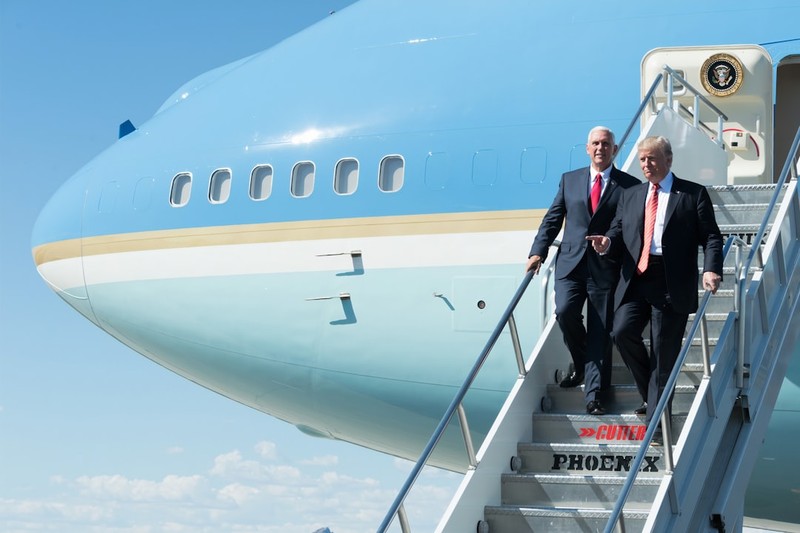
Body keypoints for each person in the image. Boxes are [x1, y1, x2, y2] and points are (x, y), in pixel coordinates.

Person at [587, 136, 723, 441]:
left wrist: (712, 268)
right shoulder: (632, 194)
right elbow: (620, 229)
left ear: (668, 160)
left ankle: (656, 425)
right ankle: (651, 393)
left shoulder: (692, 194)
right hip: (636, 277)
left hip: (670, 281)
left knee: (663, 354)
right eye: (642, 160)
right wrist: (608, 242)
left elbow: (712, 236)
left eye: (652, 159)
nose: (646, 165)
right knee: (621, 332)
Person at [526, 126, 639, 416]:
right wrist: (538, 251)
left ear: (615, 150)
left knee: (601, 332)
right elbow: (553, 218)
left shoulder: (629, 186)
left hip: (605, 266)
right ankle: (581, 362)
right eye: (595, 144)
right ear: (587, 149)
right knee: (565, 312)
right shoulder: (570, 180)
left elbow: (626, 223)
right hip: (571, 263)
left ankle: (595, 396)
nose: (600, 148)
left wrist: (609, 240)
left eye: (606, 144)